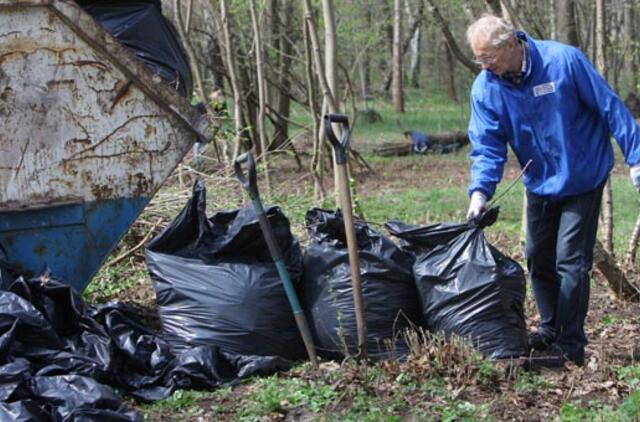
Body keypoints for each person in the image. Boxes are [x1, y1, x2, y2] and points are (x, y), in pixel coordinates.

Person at [465, 15, 640, 366]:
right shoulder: (486, 87)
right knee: (537, 256)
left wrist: (636, 158)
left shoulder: (563, 61)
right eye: (479, 59)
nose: (485, 66)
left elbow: (610, 108)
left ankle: (571, 345)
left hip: (583, 175)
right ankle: (550, 329)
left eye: (489, 58)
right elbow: (487, 145)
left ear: (511, 44)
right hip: (541, 181)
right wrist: (479, 193)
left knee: (571, 261)